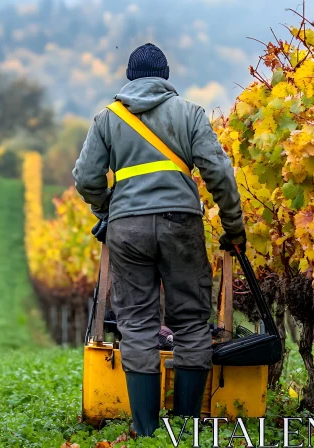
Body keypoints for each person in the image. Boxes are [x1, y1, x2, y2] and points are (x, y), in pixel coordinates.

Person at [72, 43, 246, 436]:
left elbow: (85, 178)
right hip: (180, 223)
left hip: (128, 229)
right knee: (190, 321)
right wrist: (234, 229)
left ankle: (147, 430)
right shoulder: (190, 114)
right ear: (165, 76)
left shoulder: (107, 119)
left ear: (130, 77)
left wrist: (108, 211)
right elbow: (220, 172)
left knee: (136, 324)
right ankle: (183, 429)